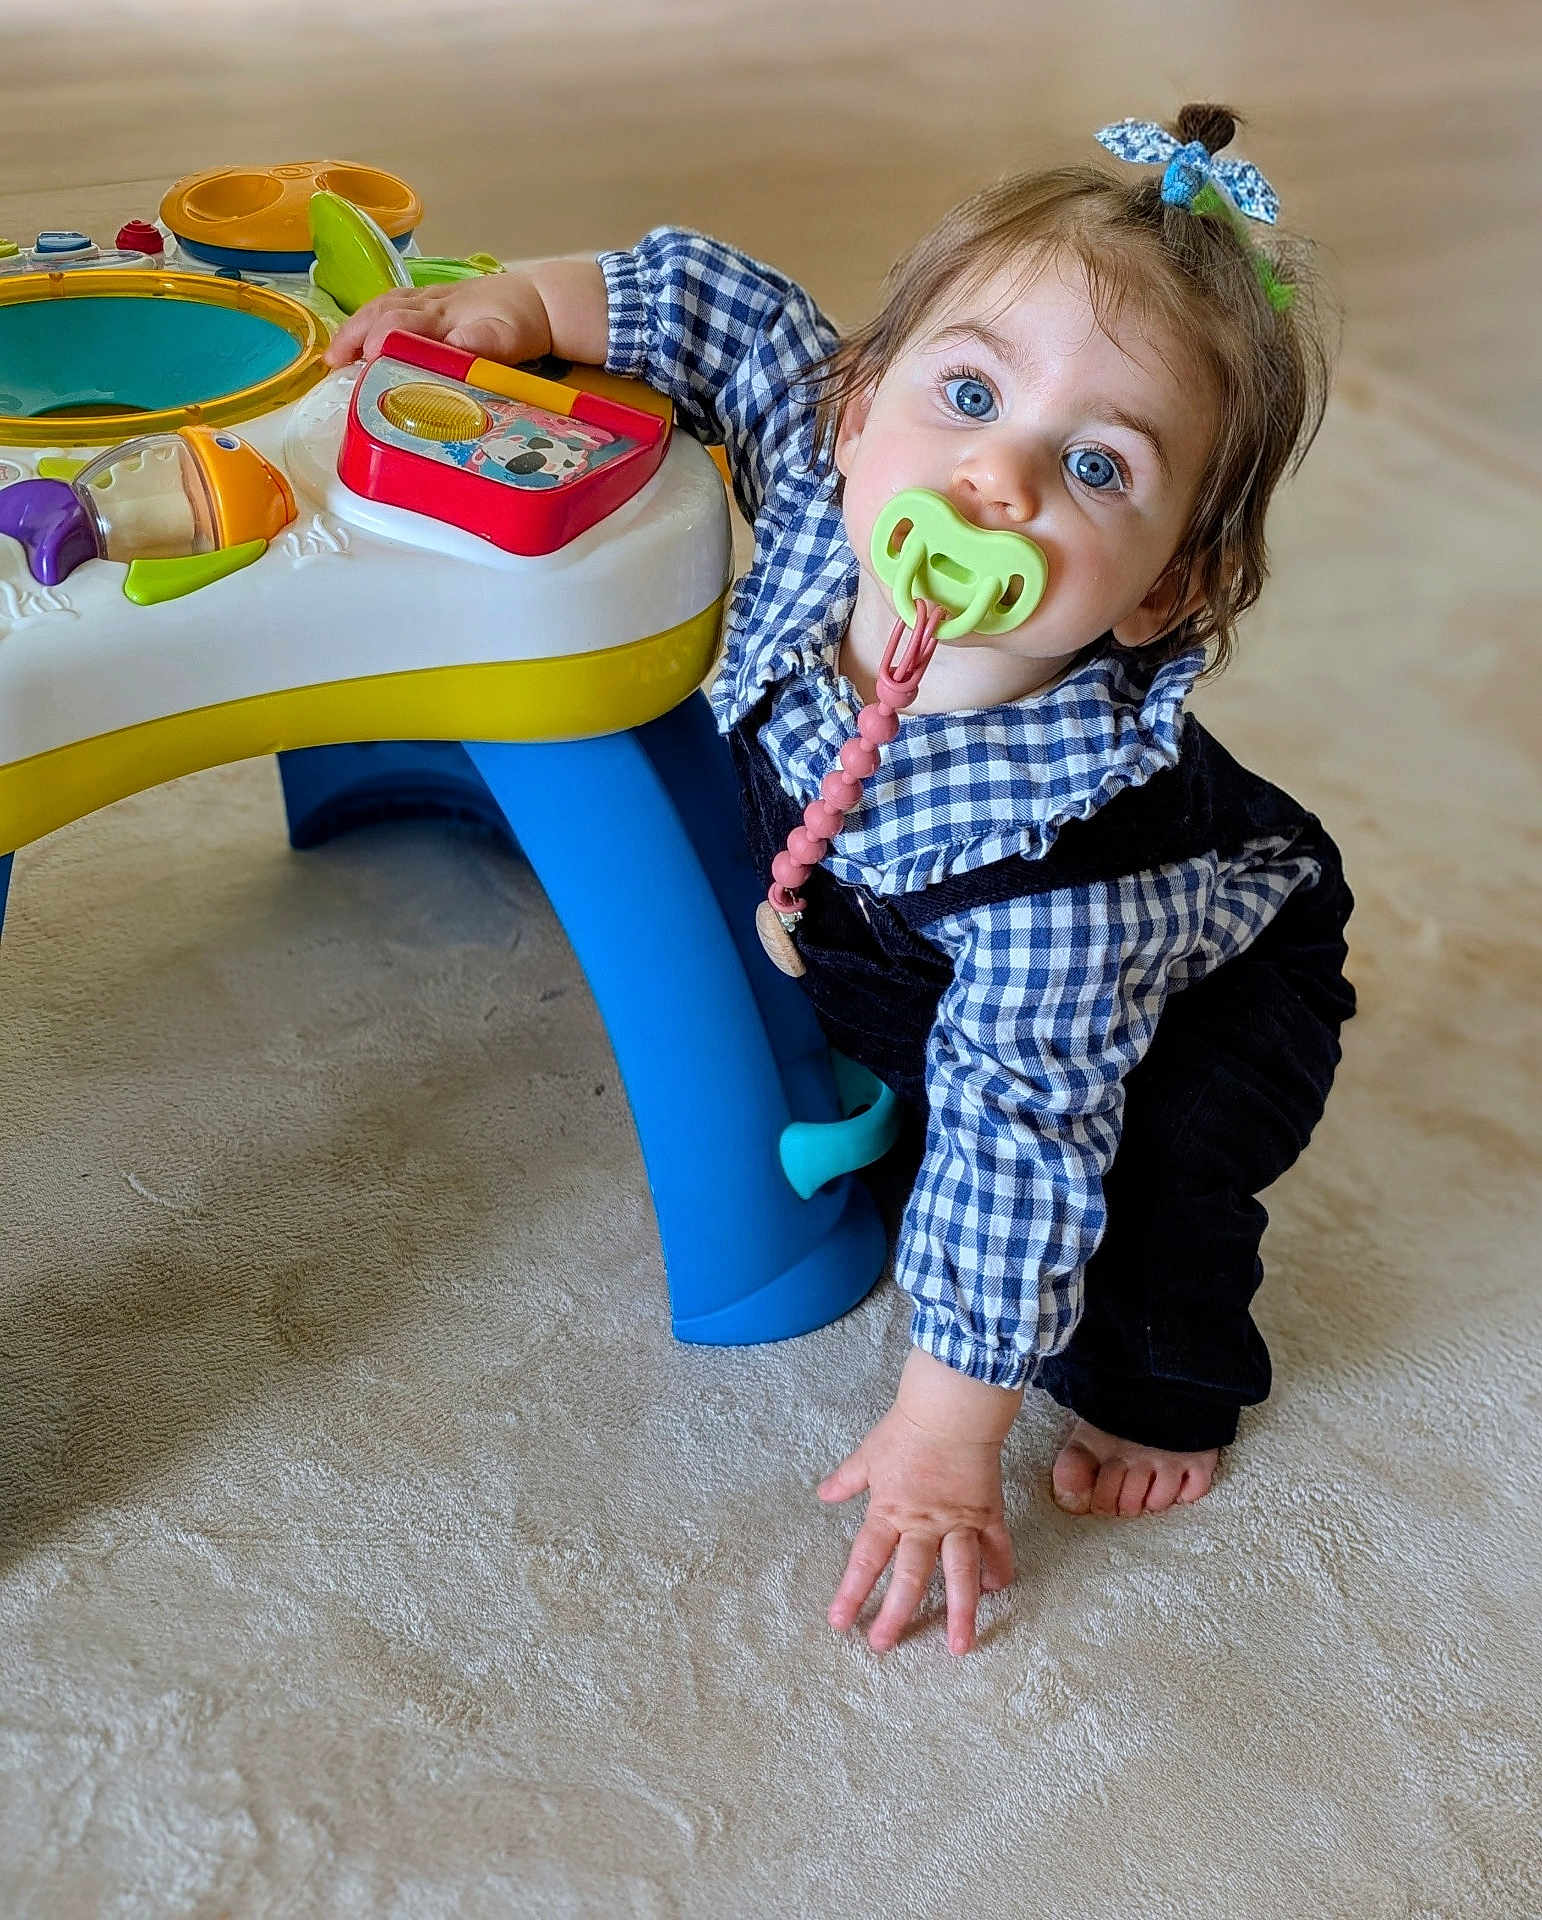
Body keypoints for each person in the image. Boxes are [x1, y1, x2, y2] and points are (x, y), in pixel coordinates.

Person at [326, 103, 1356, 1658]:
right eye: (963, 393)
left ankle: (1171, 1386)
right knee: (897, 1061)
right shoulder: (827, 491)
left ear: (1169, 589)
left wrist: (946, 1445)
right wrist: (524, 307)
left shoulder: (1066, 884)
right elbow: (725, 307)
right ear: (856, 410)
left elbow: (1023, 1148)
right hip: (889, 890)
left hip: (1216, 980)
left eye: (1093, 464)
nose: (992, 478)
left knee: (1135, 1191)